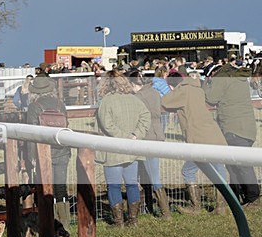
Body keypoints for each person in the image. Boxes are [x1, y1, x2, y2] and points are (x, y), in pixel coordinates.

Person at [161, 71, 229, 214]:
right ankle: (221, 206)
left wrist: (173, 91)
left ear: (172, 85)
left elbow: (165, 102)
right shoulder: (197, 88)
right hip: (214, 134)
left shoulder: (183, 91)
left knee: (188, 171)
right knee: (219, 170)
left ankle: (195, 207)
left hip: (200, 139)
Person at [96, 70, 151, 227]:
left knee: (113, 185)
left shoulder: (106, 101)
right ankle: (133, 220)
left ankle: (118, 221)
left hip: (113, 150)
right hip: (132, 148)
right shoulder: (134, 99)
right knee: (132, 183)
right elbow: (145, 116)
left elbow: (107, 124)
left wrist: (123, 137)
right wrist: (135, 135)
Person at [202, 62, 260, 208]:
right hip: (246, 127)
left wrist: (207, 84)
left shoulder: (222, 79)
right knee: (234, 165)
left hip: (233, 127)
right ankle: (238, 197)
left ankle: (253, 198)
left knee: (241, 165)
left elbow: (210, 97)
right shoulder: (237, 77)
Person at [25, 74, 72, 234]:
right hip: (62, 150)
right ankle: (64, 228)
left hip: (43, 153)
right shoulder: (60, 104)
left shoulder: (34, 107)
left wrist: (31, 158)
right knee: (61, 189)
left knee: (46, 190)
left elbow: (31, 134)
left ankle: (49, 226)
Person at [128, 70, 170, 219]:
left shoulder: (138, 97)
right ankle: (153, 207)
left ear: (133, 83)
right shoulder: (153, 92)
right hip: (158, 134)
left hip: (147, 137)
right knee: (150, 173)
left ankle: (165, 212)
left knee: (154, 176)